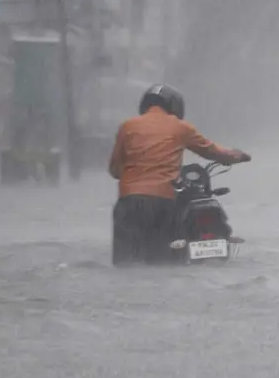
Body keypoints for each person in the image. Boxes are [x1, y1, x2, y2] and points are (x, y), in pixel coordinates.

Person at [108, 84, 251, 266]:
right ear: (174, 106)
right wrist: (238, 155)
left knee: (125, 265)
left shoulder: (127, 127)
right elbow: (214, 152)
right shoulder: (181, 127)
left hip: (129, 203)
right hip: (163, 202)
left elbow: (114, 169)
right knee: (162, 264)